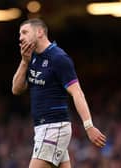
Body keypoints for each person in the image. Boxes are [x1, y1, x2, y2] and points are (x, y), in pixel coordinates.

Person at [12, 18, 106, 168]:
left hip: (54, 127)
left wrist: (88, 126)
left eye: (24, 32)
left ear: (40, 32)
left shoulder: (59, 58)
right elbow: (16, 89)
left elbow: (77, 93)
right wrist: (24, 62)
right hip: (42, 128)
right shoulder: (31, 57)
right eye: (20, 34)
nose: (20, 38)